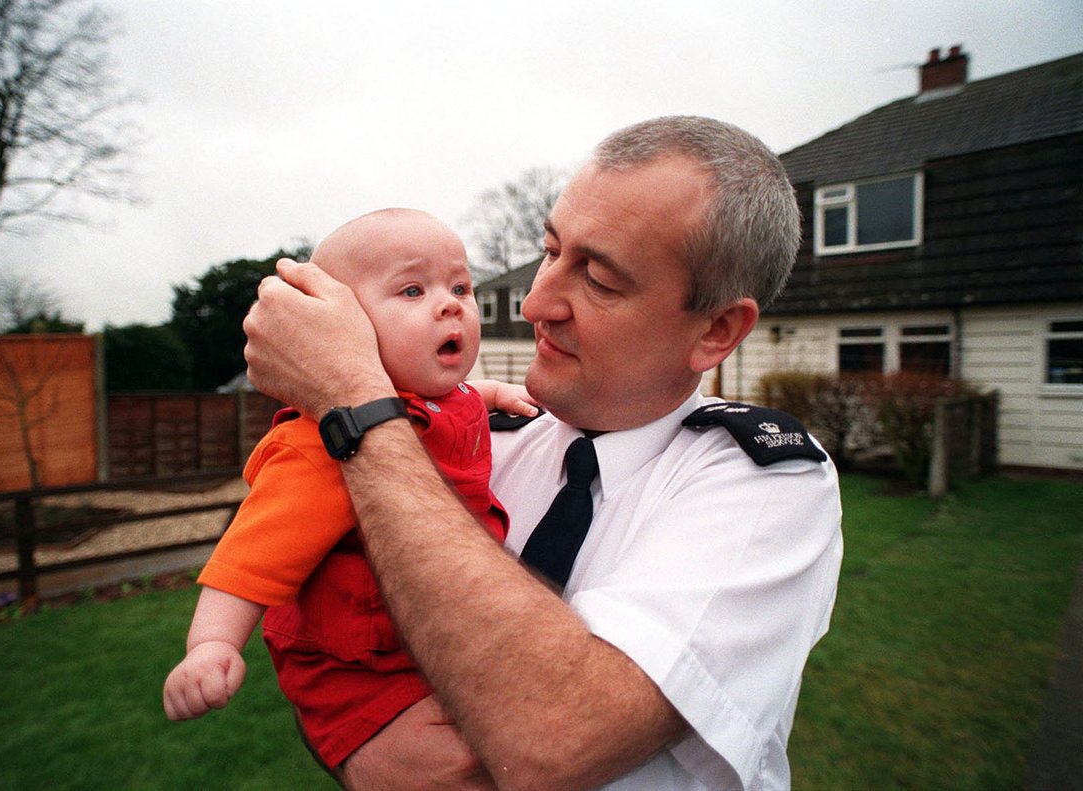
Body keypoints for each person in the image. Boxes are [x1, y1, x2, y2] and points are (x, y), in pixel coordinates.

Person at [242, 116, 844, 791]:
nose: (534, 301)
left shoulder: (767, 483)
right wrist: (351, 745)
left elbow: (553, 738)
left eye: (599, 279)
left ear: (716, 329)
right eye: (551, 249)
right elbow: (320, 632)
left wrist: (354, 401)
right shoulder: (469, 438)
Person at [162, 208, 537, 772]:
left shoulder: (448, 400)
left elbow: (443, 408)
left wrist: (490, 392)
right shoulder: (321, 444)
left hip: (429, 638)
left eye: (460, 286)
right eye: (413, 290)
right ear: (339, 329)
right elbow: (252, 555)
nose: (450, 303)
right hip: (360, 672)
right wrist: (211, 646)